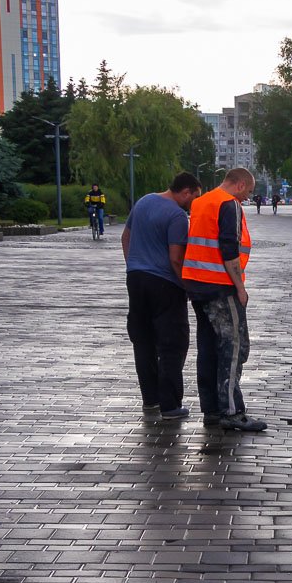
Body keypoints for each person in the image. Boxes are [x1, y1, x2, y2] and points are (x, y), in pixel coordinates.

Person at [183, 167, 266, 432]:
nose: (247, 199)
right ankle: (231, 412)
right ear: (240, 185)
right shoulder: (228, 205)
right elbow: (228, 248)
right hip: (220, 286)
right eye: (249, 192)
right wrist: (240, 287)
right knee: (234, 348)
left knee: (208, 348)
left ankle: (212, 410)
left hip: (196, 285)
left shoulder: (201, 201)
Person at [120, 172, 201, 420]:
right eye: (194, 197)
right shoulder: (177, 215)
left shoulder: (144, 201)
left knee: (142, 340)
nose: (194, 202)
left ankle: (151, 401)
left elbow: (125, 237)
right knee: (172, 344)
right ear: (185, 192)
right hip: (165, 284)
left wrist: (134, 265)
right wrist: (187, 286)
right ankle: (170, 406)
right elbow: (176, 258)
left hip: (136, 279)